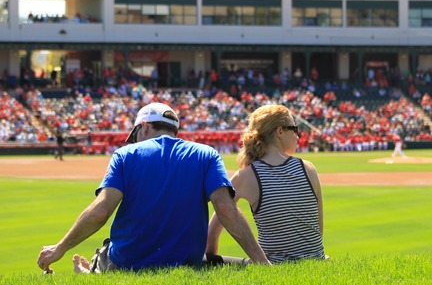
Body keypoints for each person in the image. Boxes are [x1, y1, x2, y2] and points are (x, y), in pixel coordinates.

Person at [37, 102, 270, 274]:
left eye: (136, 134)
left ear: (145, 126)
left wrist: (60, 247)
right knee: (240, 266)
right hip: (188, 264)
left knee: (106, 254)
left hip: (127, 264)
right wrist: (262, 262)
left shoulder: (125, 154)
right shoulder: (206, 154)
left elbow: (100, 211)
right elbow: (226, 209)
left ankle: (93, 274)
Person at [206, 104, 325, 263]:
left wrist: (210, 260)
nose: (298, 136)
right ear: (280, 131)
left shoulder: (245, 176)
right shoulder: (309, 169)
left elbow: (212, 234)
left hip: (271, 266)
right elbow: (318, 232)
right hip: (315, 261)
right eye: (294, 129)